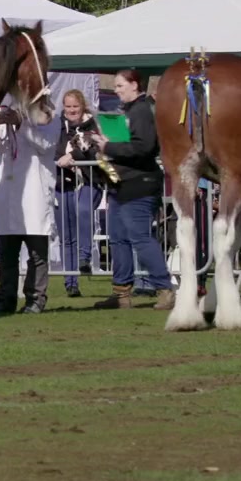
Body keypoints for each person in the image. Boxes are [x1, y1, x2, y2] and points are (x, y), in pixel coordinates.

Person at [90, 69, 174, 310]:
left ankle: (165, 289)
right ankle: (121, 293)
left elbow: (144, 146)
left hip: (140, 183)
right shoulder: (128, 111)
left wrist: (109, 147)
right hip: (120, 183)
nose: (116, 90)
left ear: (134, 85)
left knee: (140, 237)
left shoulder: (142, 111)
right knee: (118, 239)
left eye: (120, 85)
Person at [0, 104, 58, 315]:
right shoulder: (3, 116)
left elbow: (45, 144)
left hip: (34, 195)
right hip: (6, 195)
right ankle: (5, 299)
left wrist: (22, 124)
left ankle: (35, 298)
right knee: (6, 255)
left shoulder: (49, 116)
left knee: (37, 254)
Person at [54, 89, 101, 298]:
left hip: (90, 181)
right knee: (66, 236)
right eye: (68, 106)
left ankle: (84, 257)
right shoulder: (57, 126)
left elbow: (93, 150)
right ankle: (70, 282)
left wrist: (73, 155)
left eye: (75, 106)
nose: (71, 110)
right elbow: (53, 151)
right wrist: (62, 160)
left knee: (83, 210)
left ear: (82, 106)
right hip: (63, 184)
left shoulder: (92, 125)